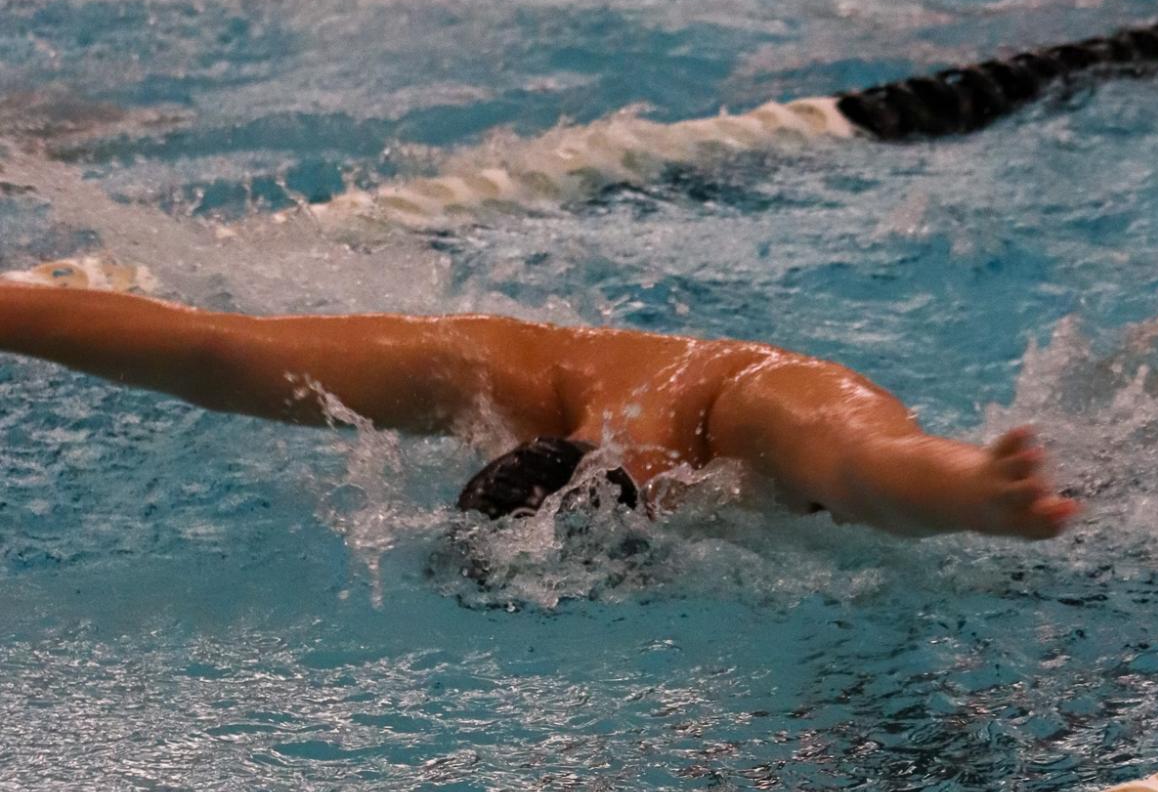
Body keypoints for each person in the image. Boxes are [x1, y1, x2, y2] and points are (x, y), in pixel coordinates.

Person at [0, 276, 1079, 540]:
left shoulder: (761, 410)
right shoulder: (516, 376)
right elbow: (219, 352)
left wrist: (971, 491)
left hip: (849, 422)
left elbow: (857, 463)